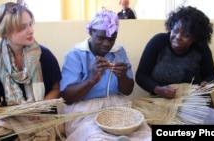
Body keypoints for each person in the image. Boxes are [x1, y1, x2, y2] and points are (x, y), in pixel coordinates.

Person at [60, 9, 151, 141]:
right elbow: (67, 97)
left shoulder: (119, 52)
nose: (107, 44)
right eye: (101, 38)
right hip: (84, 111)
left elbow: (127, 90)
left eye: (112, 38)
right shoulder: (75, 55)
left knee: (145, 135)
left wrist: (122, 76)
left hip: (116, 107)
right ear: (91, 32)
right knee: (96, 137)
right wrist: (91, 80)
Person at [0, 1, 61, 140]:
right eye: (23, 27)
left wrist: (38, 107)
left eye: (30, 24)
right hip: (12, 115)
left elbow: (57, 89)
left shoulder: (44, 55)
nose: (31, 30)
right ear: (5, 32)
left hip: (40, 116)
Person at [135, 6, 214, 124]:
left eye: (186, 35)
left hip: (194, 102)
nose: (178, 37)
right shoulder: (158, 42)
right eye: (175, 30)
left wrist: (206, 84)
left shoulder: (201, 48)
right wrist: (158, 89)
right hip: (162, 102)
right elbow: (141, 75)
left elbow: (212, 76)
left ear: (195, 38)